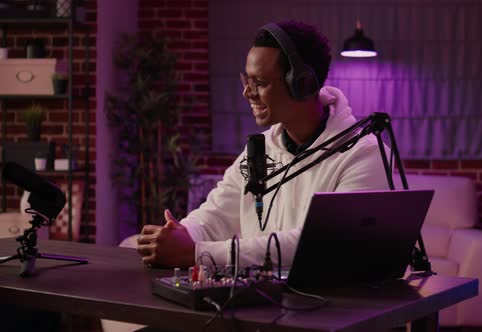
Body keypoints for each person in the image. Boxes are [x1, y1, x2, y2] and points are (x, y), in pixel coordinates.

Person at [136, 20, 390, 269]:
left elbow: (321, 243)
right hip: (263, 306)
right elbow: (216, 215)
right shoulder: (262, 148)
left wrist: (197, 252)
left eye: (260, 82)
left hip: (336, 308)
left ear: (303, 85)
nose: (247, 92)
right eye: (247, 80)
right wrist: (182, 233)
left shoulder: (365, 154)